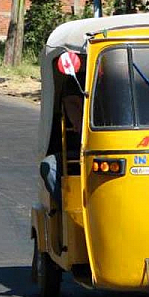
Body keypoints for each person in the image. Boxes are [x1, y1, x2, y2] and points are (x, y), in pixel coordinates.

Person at [40, 79, 84, 209]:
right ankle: (67, 208)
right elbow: (71, 104)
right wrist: (78, 120)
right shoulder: (74, 82)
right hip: (82, 151)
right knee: (49, 166)